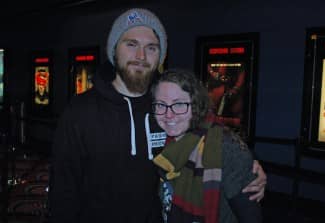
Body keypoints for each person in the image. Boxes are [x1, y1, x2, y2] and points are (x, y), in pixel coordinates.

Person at [49, 8, 266, 223]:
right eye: (131, 44)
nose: (141, 56)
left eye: (151, 48)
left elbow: (209, 131)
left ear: (160, 56)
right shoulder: (80, 111)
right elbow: (63, 192)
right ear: (114, 49)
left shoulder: (166, 108)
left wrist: (246, 166)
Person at [151, 68, 262, 223]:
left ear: (196, 105)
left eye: (179, 104)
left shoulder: (224, 146)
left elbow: (251, 217)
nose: (169, 115)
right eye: (161, 105)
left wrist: (251, 162)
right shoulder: (161, 141)